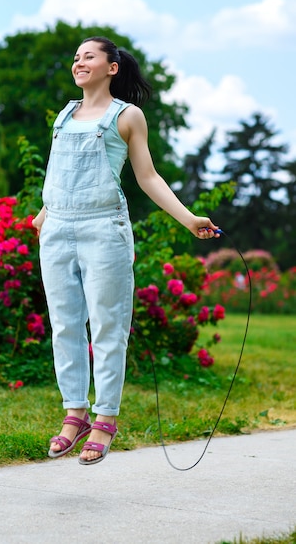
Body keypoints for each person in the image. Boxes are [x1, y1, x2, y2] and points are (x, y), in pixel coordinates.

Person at [32, 36, 219, 466]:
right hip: (57, 229)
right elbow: (60, 171)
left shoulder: (126, 116)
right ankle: (74, 413)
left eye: (89, 56)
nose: (79, 62)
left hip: (104, 230)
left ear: (111, 67)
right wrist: (45, 212)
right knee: (64, 326)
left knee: (107, 327)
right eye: (76, 57)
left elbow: (147, 176)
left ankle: (105, 419)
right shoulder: (65, 114)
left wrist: (189, 219)